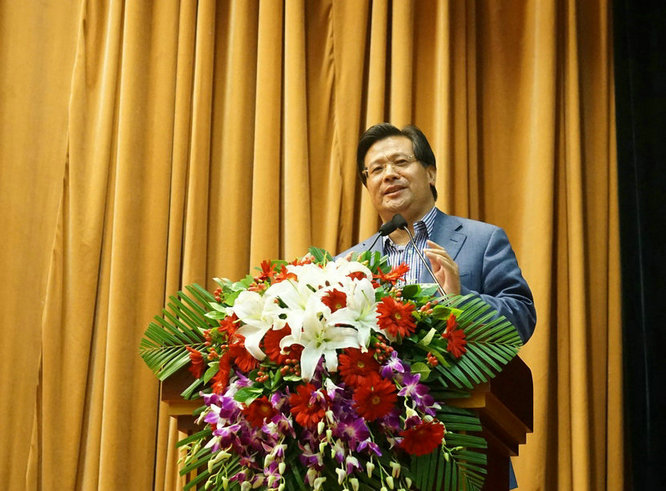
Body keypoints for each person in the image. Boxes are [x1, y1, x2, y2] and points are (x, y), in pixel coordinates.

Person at [339, 123, 536, 343]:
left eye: (401, 162)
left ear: (430, 174)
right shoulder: (348, 265)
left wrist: (459, 298)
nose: (389, 175)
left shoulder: (483, 240)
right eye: (377, 169)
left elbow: (522, 318)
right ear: (368, 186)